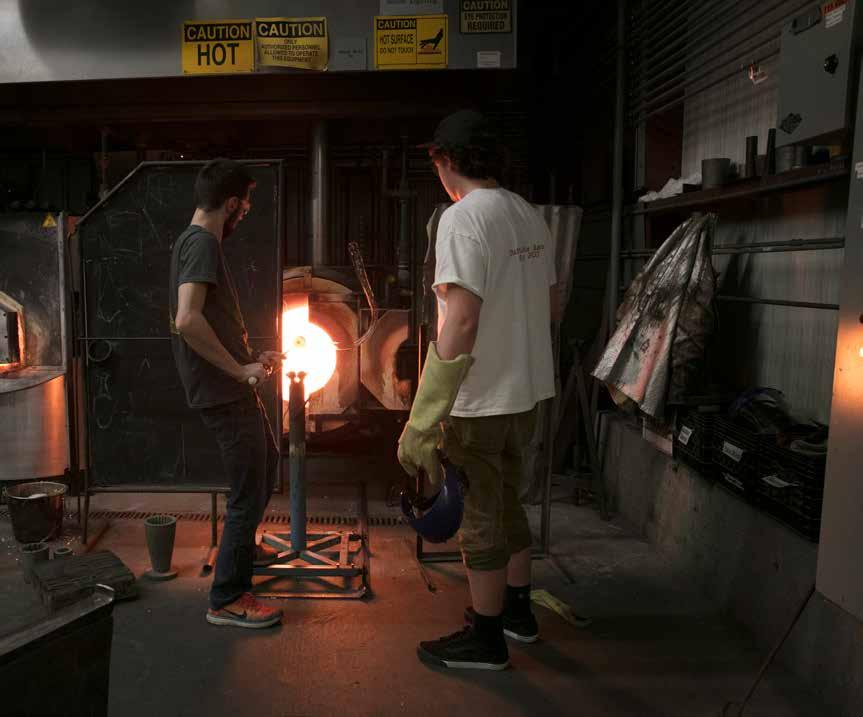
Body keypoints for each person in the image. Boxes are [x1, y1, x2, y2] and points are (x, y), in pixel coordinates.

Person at [398, 111, 559, 670]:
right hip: (528, 391)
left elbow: (461, 321)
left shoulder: (462, 218)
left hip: (482, 397)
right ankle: (517, 613)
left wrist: (423, 417)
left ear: (445, 160)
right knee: (509, 500)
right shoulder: (528, 215)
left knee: (480, 515)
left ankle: (486, 640)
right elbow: (551, 303)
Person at [169, 158, 284, 629]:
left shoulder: (191, 240)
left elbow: (208, 318)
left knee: (267, 463)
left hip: (228, 384)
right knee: (247, 490)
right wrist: (239, 370)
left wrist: (250, 356)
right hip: (223, 390)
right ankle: (229, 597)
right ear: (232, 203)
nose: (246, 214)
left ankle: (242, 549)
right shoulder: (202, 244)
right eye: (246, 206)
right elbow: (187, 319)